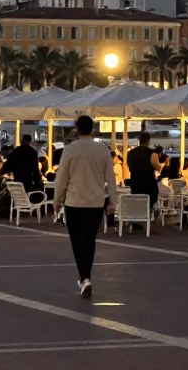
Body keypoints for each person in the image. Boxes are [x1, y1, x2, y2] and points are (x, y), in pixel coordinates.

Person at [54, 115, 118, 299]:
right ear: (93, 129)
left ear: (77, 129)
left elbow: (61, 179)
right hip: (96, 202)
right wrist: (113, 202)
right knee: (90, 240)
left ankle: (84, 278)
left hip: (74, 202)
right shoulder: (103, 150)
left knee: (76, 241)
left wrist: (56, 202)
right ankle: (86, 277)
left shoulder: (70, 150)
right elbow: (111, 179)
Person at [126, 132, 159, 214]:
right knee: (149, 205)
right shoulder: (152, 153)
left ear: (139, 140)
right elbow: (157, 167)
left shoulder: (130, 153)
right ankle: (149, 214)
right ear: (148, 141)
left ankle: (139, 218)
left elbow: (129, 167)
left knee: (137, 206)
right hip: (149, 186)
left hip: (135, 185)